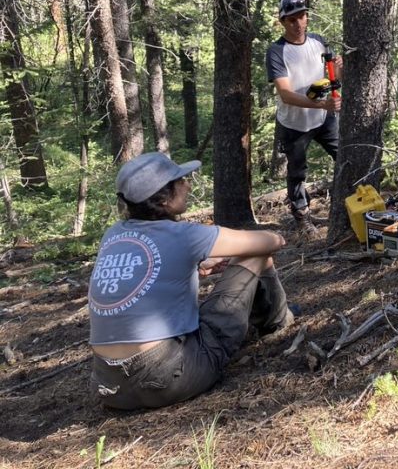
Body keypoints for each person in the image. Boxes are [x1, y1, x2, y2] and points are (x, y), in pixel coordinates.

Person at [89, 152, 293, 410]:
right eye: (181, 180)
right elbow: (273, 241)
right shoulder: (184, 235)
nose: (187, 185)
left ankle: (271, 318)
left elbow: (142, 272)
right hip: (166, 378)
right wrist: (236, 249)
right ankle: (277, 321)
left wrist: (195, 263)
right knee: (256, 254)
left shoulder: (113, 235)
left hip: (109, 386)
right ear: (163, 198)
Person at [265, 0, 340, 234]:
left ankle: (348, 204)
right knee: (297, 170)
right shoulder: (277, 51)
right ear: (283, 22)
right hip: (294, 123)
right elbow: (286, 94)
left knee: (345, 155)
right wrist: (322, 105)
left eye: (302, 16)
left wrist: (340, 67)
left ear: (307, 17)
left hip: (323, 119)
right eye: (292, 19)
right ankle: (302, 217)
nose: (298, 23)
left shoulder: (318, 42)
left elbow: (331, 78)